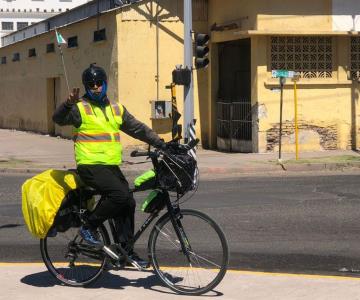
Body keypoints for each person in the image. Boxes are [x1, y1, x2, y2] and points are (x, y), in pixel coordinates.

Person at [53, 63, 165, 267]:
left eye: (99, 83)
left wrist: (161, 143)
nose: (96, 87)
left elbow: (137, 129)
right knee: (119, 196)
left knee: (128, 202)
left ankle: (125, 251)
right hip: (89, 165)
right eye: (91, 84)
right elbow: (58, 119)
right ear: (87, 87)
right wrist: (67, 104)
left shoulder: (116, 109)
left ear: (105, 84)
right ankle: (89, 226)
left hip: (110, 166)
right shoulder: (80, 108)